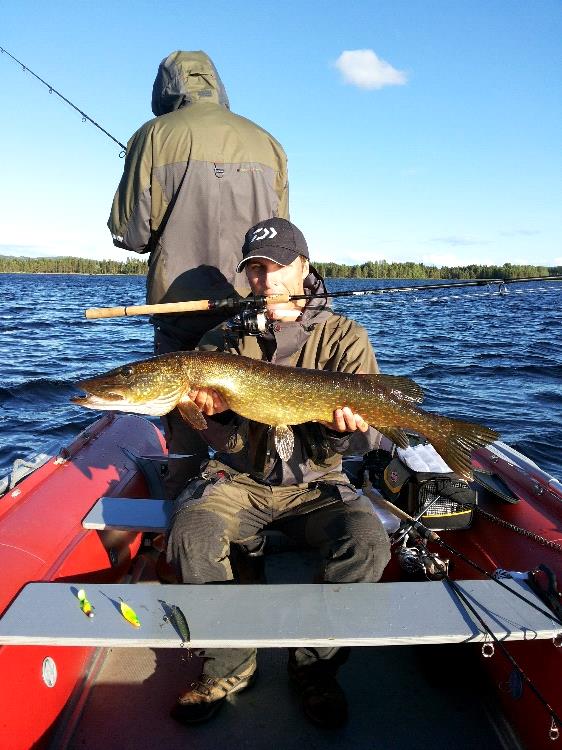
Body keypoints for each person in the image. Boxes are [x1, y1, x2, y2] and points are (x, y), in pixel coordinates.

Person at [166, 217, 392, 729]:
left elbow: (366, 440)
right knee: (192, 531)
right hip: (239, 482)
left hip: (317, 486)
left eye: (277, 266)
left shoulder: (345, 337)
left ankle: (313, 666)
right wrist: (218, 417)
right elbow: (227, 443)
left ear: (303, 267)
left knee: (369, 543)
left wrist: (339, 433)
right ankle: (230, 663)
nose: (265, 280)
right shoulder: (221, 341)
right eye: (254, 269)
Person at [108, 51, 289, 497]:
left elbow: (130, 232)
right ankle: (258, 494)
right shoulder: (269, 143)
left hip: (178, 307)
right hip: (251, 306)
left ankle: (184, 494)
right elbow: (280, 239)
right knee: (253, 406)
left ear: (165, 89)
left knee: (185, 421)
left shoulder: (151, 135)